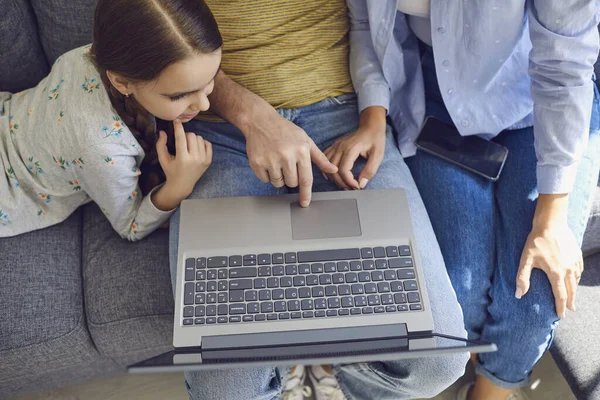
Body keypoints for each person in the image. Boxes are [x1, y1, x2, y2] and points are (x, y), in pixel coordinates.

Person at [167, 1, 469, 399]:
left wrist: (372, 117)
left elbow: (367, 21)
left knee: (438, 358)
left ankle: (330, 369)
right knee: (226, 389)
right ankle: (285, 369)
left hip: (341, 117)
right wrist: (253, 116)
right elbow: (150, 35)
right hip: (216, 131)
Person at [346, 1, 600, 399]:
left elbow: (564, 68)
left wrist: (551, 219)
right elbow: (366, 22)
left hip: (543, 99)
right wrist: (373, 115)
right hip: (431, 100)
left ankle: (488, 391)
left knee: (533, 302)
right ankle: (467, 366)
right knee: (456, 299)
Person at [0, 0, 221, 241]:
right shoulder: (101, 148)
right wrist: (179, 186)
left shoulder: (95, 54)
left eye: (211, 78)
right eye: (179, 95)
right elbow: (130, 226)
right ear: (122, 83)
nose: (205, 105)